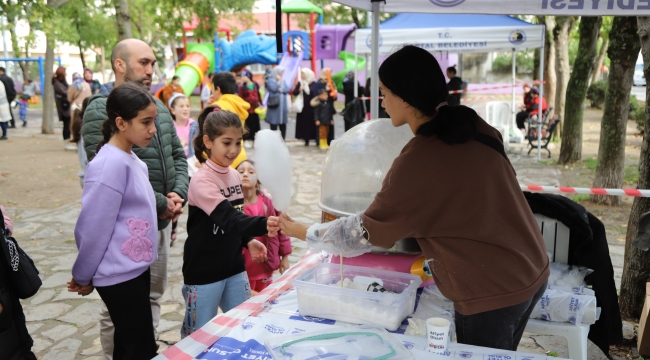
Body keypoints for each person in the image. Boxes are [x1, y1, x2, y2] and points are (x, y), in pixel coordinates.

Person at [279, 45, 549, 352]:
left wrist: (304, 231)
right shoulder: (472, 124)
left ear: (405, 98)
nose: (381, 101)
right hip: (531, 265)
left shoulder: (418, 162)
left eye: (384, 92)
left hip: (489, 292)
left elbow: (359, 234)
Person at [81, 38, 189, 359]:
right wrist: (161, 203)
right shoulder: (101, 107)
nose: (150, 70)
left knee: (152, 296)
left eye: (153, 63)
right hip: (126, 230)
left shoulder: (158, 110)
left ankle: (145, 350)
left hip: (160, 222)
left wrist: (178, 194)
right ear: (120, 64)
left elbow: (178, 158)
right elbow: (106, 169)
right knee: (119, 310)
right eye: (143, 62)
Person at [69, 83, 159, 359]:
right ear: (121, 123)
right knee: (141, 348)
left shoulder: (132, 160)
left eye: (153, 121)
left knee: (129, 345)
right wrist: (83, 274)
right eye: (146, 122)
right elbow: (93, 227)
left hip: (135, 270)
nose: (153, 129)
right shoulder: (108, 165)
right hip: (119, 278)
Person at [181, 106, 279, 337]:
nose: (234, 150)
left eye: (238, 143)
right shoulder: (202, 180)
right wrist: (264, 224)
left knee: (244, 325)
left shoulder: (234, 175)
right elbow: (229, 219)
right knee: (198, 335)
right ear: (208, 141)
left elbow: (237, 214)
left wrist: (248, 241)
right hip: (204, 272)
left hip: (234, 267)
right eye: (227, 143)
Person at [237, 160, 291, 293]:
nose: (245, 175)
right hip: (242, 268)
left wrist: (284, 256)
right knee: (243, 304)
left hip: (264, 266)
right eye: (240, 172)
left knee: (263, 302)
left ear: (259, 180)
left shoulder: (269, 203)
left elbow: (282, 230)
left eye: (251, 172)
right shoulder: (232, 207)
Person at [210, 71, 251, 169]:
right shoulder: (238, 104)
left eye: (212, 88)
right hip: (239, 154)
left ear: (218, 89)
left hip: (223, 159)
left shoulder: (217, 107)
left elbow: (210, 135)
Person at [236, 70, 261, 149]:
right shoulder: (242, 88)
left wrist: (261, 104)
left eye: (244, 76)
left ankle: (255, 140)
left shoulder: (255, 85)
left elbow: (258, 95)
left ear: (248, 77)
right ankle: (246, 140)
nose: (242, 78)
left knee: (256, 125)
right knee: (247, 125)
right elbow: (240, 98)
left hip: (255, 109)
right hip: (246, 110)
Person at [293, 68, 317, 146]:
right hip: (303, 108)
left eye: (303, 74)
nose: (302, 75)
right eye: (302, 74)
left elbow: (316, 93)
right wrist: (299, 89)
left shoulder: (314, 83)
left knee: (312, 123)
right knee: (304, 124)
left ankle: (314, 138)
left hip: (312, 108)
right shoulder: (300, 83)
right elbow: (294, 92)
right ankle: (306, 139)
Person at [53, 67, 75, 150]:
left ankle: (68, 141)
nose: (66, 74)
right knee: (66, 125)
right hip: (64, 107)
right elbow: (65, 92)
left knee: (68, 124)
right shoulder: (57, 83)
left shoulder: (62, 82)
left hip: (66, 105)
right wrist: (72, 91)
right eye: (65, 72)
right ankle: (66, 143)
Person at [265, 66, 290, 139]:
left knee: (283, 124)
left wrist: (280, 89)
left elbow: (287, 90)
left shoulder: (283, 81)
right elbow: (273, 88)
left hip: (282, 108)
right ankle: (274, 141)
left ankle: (282, 140)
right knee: (273, 124)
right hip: (275, 106)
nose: (282, 74)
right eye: (281, 72)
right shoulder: (270, 80)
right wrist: (279, 83)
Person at [70, 98, 90, 188]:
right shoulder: (86, 132)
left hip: (84, 176)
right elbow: (87, 158)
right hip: (89, 178)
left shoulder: (79, 130)